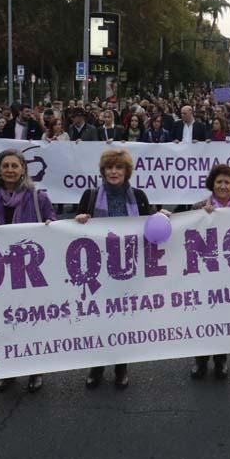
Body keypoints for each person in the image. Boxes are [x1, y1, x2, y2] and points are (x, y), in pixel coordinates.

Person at [74, 148, 159, 389]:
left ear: (126, 171)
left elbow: (150, 225)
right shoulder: (90, 196)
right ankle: (97, 366)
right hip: (98, 269)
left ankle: (121, 367)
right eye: (109, 167)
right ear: (103, 171)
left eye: (119, 167)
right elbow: (76, 228)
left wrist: (161, 217)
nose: (114, 171)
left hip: (129, 269)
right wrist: (80, 219)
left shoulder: (139, 196)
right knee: (99, 318)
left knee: (123, 320)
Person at [0, 149, 56, 393]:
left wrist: (49, 226)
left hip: (33, 271)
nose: (10, 170)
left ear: (24, 169)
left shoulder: (38, 197)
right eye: (5, 166)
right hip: (2, 272)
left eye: (15, 165)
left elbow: (53, 225)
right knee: (4, 323)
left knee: (31, 321)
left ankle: (35, 370)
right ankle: (8, 370)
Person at [188, 164, 230, 380]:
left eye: (227, 183)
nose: (222, 186)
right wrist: (200, 215)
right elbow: (179, 228)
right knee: (203, 316)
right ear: (212, 184)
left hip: (228, 274)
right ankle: (200, 360)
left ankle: (221, 360)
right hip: (203, 272)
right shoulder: (198, 206)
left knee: (223, 318)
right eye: (219, 182)